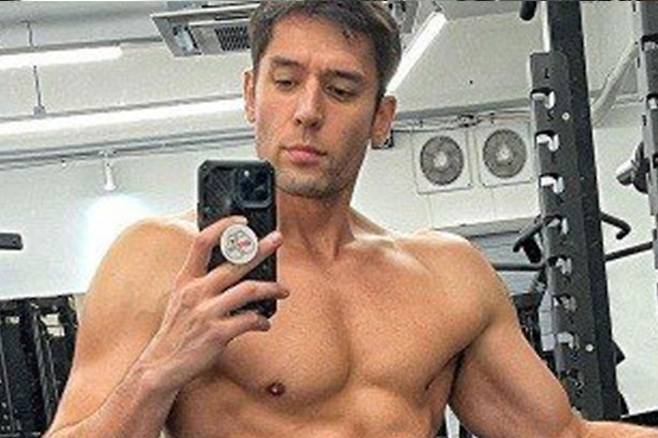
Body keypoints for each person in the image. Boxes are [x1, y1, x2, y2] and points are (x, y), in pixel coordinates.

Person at [45, 1, 657, 437]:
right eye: (286, 82)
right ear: (251, 94)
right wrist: (158, 370)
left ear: (381, 117)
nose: (308, 111)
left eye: (340, 90)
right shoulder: (162, 261)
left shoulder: (446, 277)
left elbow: (563, 435)